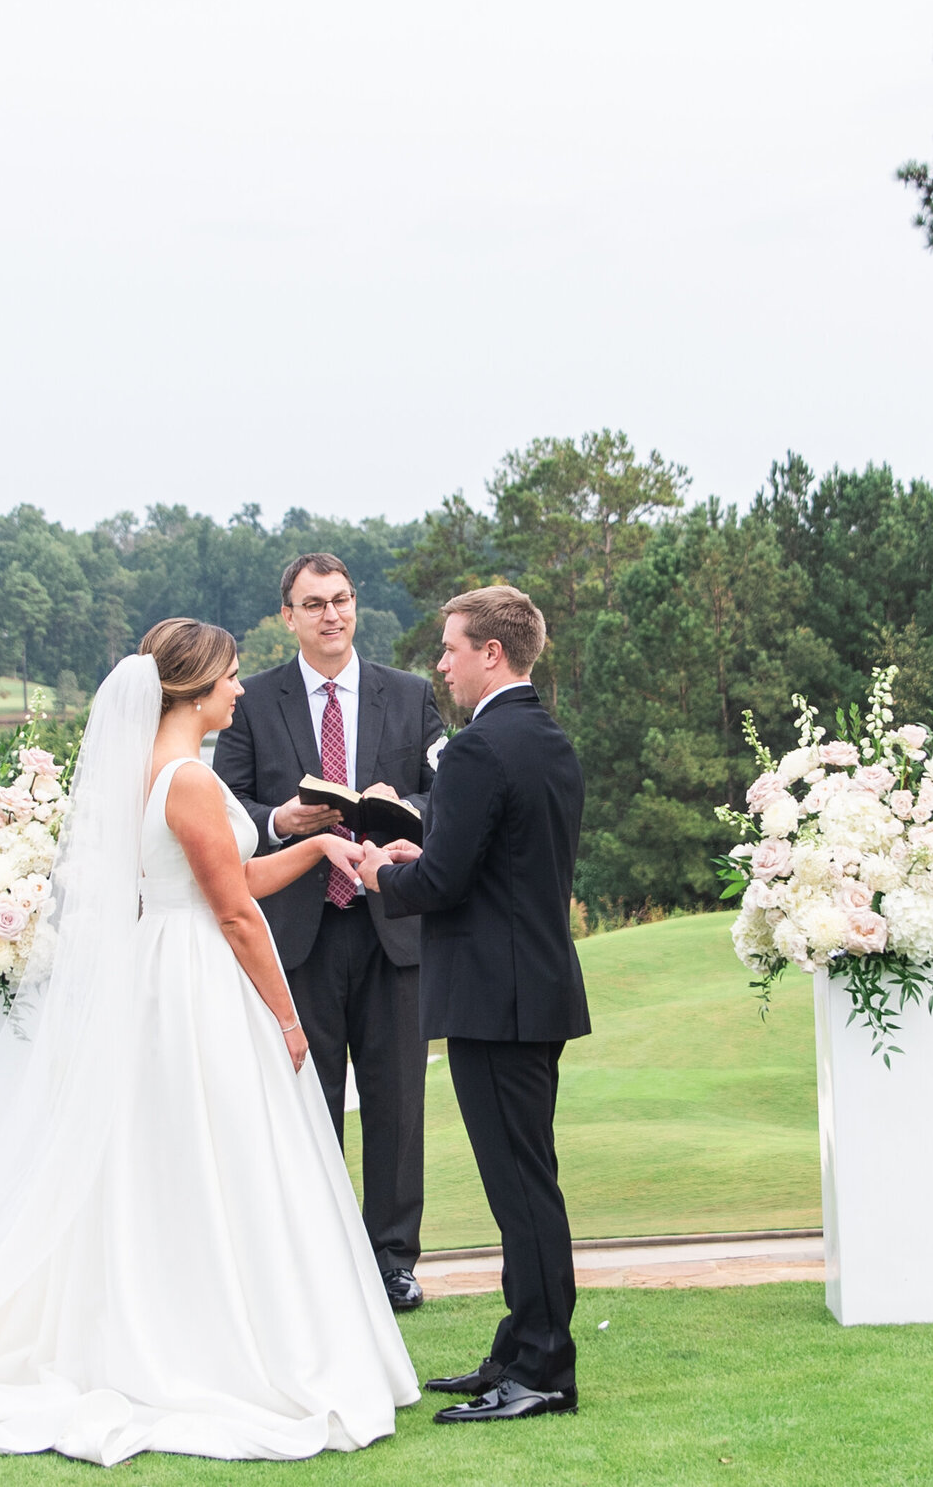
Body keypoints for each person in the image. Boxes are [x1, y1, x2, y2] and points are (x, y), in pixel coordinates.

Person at [0, 621, 419, 1464]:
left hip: (170, 963)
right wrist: (287, 1019)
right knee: (216, 1148)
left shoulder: (159, 771)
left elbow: (237, 877)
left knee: (181, 1152)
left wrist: (319, 843)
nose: (239, 689)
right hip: (194, 976)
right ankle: (215, 1339)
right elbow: (233, 912)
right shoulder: (186, 779)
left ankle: (185, 1314)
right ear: (192, 689)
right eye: (228, 677)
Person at [358, 585, 590, 1423]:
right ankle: (518, 1349)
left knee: (522, 1189)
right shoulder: (546, 738)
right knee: (526, 1180)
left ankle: (544, 1371)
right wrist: (418, 850)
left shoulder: (477, 749)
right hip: (532, 988)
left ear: (492, 652)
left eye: (451, 649)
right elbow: (500, 859)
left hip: (495, 999)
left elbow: (445, 883)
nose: (442, 665)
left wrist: (380, 874)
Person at [214, 552, 444, 1312]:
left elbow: (447, 795)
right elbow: (224, 806)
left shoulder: (408, 694)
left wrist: (402, 807)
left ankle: (393, 1263)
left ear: (355, 605)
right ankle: (314, 1261)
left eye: (341, 600)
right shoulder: (253, 702)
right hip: (295, 935)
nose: (331, 615)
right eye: (313, 604)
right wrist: (281, 820)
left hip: (391, 928)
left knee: (397, 1105)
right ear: (288, 617)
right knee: (305, 1105)